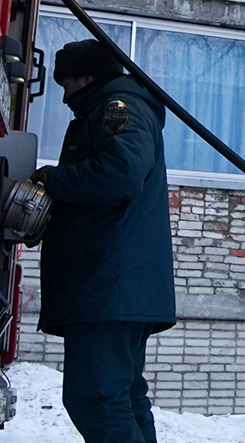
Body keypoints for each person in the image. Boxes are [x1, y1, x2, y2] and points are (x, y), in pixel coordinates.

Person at [35, 38, 176, 443]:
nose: (64, 98)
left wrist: (55, 180)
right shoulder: (110, 108)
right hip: (115, 285)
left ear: (89, 77)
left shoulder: (116, 109)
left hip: (108, 283)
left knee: (95, 398)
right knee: (123, 398)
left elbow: (121, 171)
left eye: (67, 84)